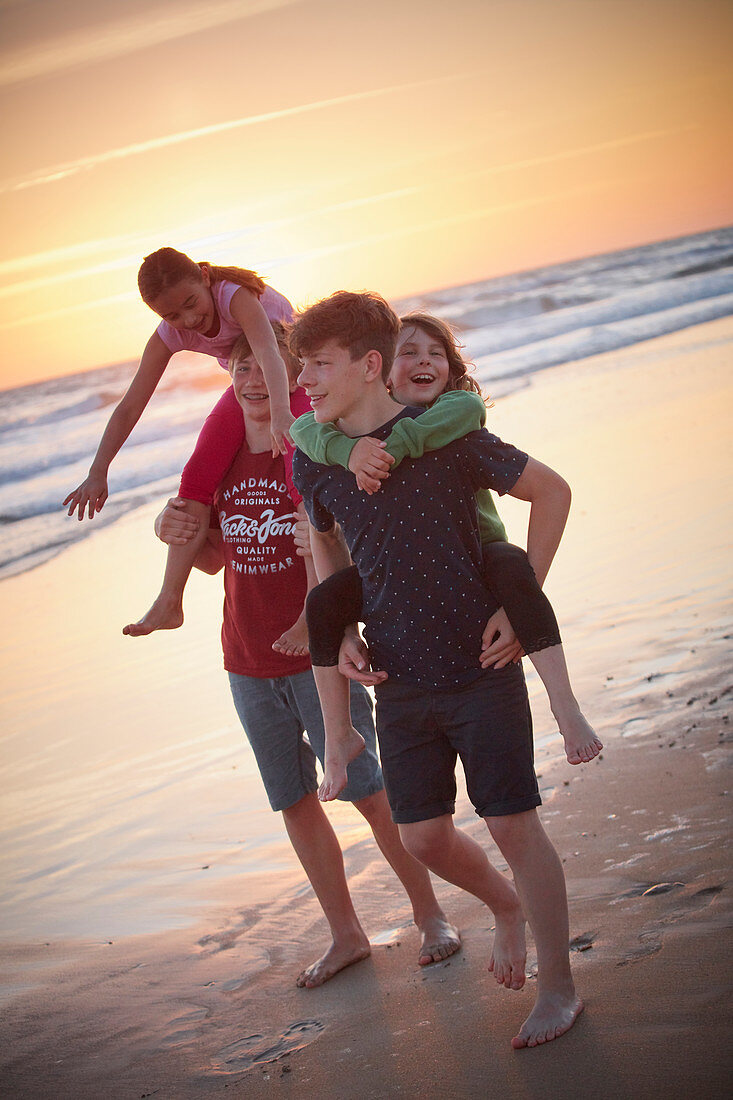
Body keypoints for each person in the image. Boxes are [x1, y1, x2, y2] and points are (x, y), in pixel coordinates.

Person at [291, 290, 586, 1048]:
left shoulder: (443, 436)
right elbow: (322, 539)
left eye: (319, 366)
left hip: (479, 668)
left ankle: (558, 989)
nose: (308, 382)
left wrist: (523, 607)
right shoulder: (316, 458)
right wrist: (345, 624)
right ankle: (504, 908)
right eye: (302, 368)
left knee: (512, 825)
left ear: (367, 366)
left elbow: (550, 491)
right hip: (399, 680)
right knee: (422, 838)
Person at [154, 325, 466, 985]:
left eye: (261, 368)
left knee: (368, 791)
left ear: (293, 377)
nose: (249, 380)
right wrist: (174, 525)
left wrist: (324, 546)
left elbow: (354, 544)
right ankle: (346, 935)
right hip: (244, 659)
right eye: (237, 370)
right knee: (293, 800)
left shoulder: (310, 453)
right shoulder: (221, 462)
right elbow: (215, 558)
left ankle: (430, 915)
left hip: (317, 657)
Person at [291, 313, 601, 798]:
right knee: (324, 603)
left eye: (436, 354)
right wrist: (345, 451)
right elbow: (304, 432)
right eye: (410, 353)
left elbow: (471, 417)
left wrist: (398, 443)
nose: (424, 362)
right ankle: (338, 735)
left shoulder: (452, 414)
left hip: (478, 552)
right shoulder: (346, 440)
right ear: (384, 371)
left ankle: (565, 705)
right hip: (395, 590)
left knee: (513, 568)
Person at [62, 247, 305, 650]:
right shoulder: (172, 334)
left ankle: (311, 608)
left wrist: (282, 412)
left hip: (291, 375)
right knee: (196, 476)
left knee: (299, 475)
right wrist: (98, 471)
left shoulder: (233, 295)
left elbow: (266, 350)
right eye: (173, 315)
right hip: (252, 382)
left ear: (205, 279)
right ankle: (169, 600)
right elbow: (130, 405)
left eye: (191, 303)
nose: (189, 320)